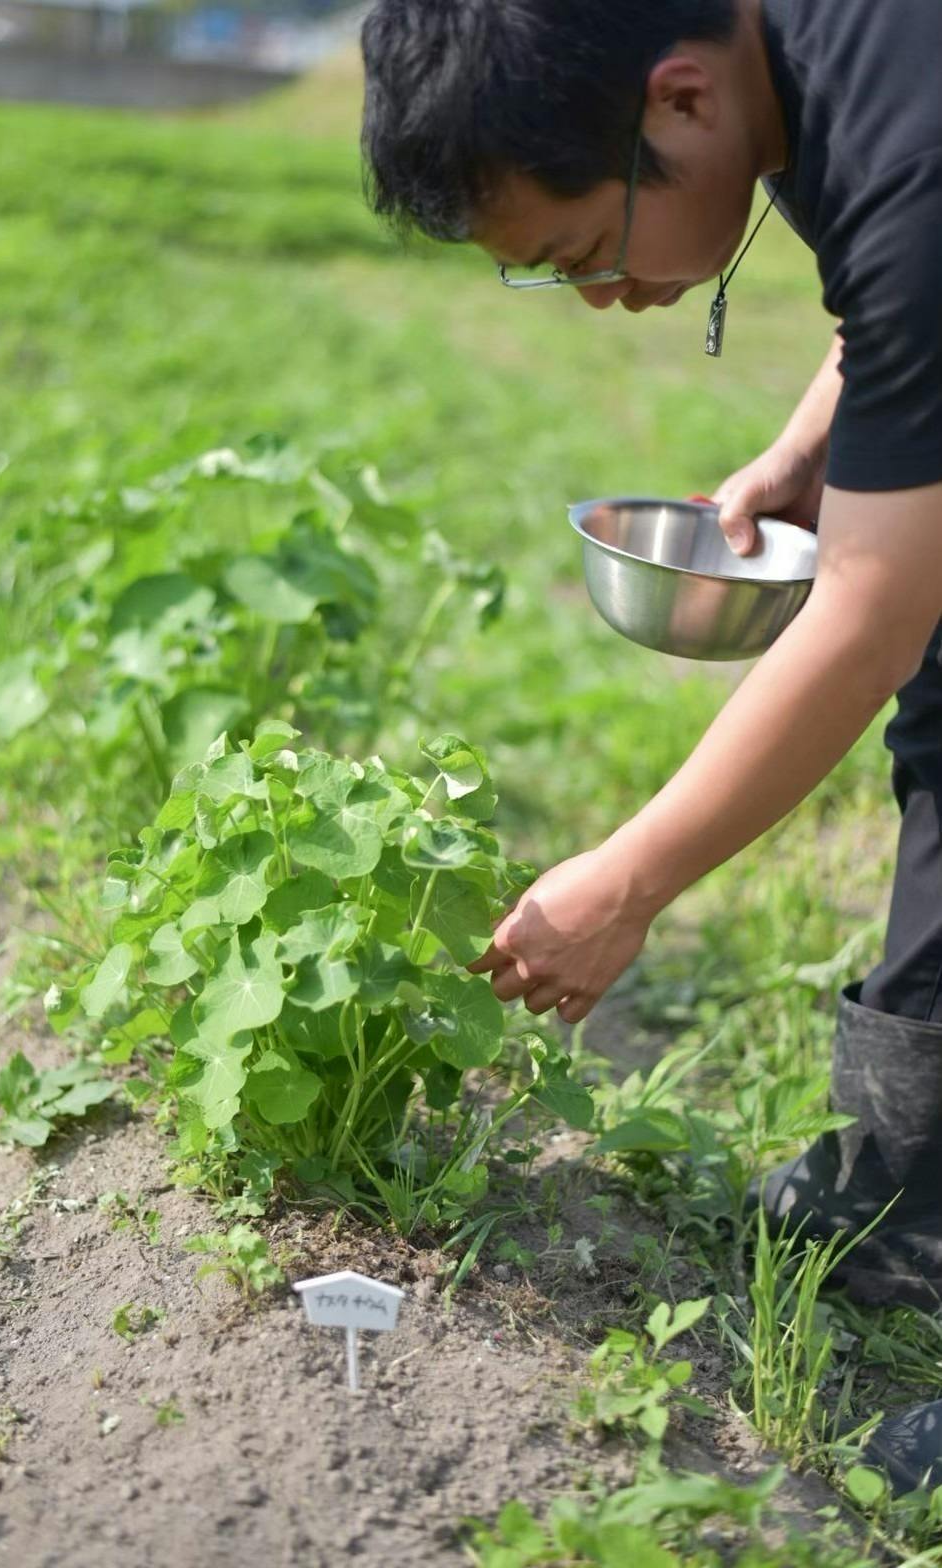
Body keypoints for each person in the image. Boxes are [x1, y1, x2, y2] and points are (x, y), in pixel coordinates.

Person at [360, 0, 942, 1495]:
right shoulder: (810, 68)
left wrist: (626, 880)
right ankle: (918, 1202)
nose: (601, 298)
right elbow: (899, 299)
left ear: (673, 101)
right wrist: (831, 438)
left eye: (577, 253)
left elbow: (864, 615)